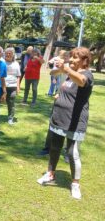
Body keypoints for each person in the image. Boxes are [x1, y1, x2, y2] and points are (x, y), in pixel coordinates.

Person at [37, 47, 93, 200]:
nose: (72, 60)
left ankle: (75, 184)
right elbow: (52, 73)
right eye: (72, 57)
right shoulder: (69, 74)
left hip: (74, 121)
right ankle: (50, 173)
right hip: (59, 118)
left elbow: (81, 82)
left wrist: (67, 68)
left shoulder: (86, 74)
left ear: (85, 60)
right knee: (54, 148)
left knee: (72, 153)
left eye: (76, 58)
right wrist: (59, 68)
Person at [4, 47, 21, 125]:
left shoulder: (16, 63)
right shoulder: (1, 62)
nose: (8, 54)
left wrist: (18, 86)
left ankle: (10, 118)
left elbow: (18, 76)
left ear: (13, 54)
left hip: (12, 86)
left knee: (11, 103)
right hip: (1, 86)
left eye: (10, 53)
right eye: (7, 53)